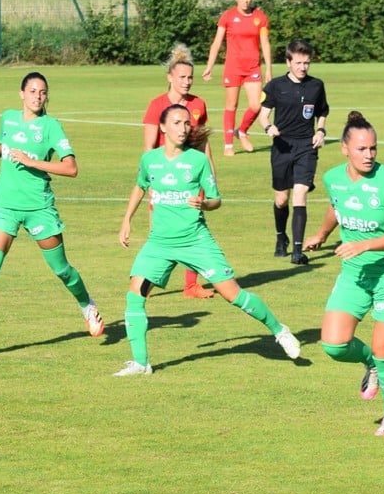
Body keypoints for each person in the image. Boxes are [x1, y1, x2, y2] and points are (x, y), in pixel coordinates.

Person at [114, 104, 301, 375]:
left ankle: (279, 330)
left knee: (233, 295)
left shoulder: (198, 160)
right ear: (163, 127)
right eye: (177, 123)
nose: (183, 128)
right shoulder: (149, 159)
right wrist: (126, 219)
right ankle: (141, 363)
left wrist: (205, 204)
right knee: (135, 296)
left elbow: (216, 200)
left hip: (195, 241)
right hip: (159, 244)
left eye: (186, 123)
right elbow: (140, 186)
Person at [0, 72, 104, 359]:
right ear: (21, 93)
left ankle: (87, 305)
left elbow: (71, 168)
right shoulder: (7, 118)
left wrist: (33, 162)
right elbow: (2, 144)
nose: (37, 96)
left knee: (62, 270)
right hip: (4, 208)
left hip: (39, 209)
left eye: (43, 92)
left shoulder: (51, 127)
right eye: (32, 90)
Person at [300, 112, 384, 435]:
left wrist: (364, 246)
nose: (369, 155)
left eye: (373, 149)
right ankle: (370, 365)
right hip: (355, 274)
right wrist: (322, 234)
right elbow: (337, 206)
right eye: (362, 149)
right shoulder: (333, 178)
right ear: (345, 150)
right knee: (333, 345)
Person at [144, 44, 215, 299]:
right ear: (170, 78)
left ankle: (191, 285)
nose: (187, 82)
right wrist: (151, 180)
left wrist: (211, 173)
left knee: (193, 226)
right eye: (182, 77)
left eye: (190, 78)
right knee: (159, 231)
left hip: (191, 177)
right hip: (163, 179)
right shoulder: (157, 106)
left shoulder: (199, 104)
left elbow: (203, 143)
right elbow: (148, 147)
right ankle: (148, 281)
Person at [257, 39, 329, 265]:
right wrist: (269, 127)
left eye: (306, 63)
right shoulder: (275, 86)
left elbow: (322, 112)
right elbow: (263, 115)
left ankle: (298, 251)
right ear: (288, 62)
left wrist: (320, 131)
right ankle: (281, 238)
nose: (303, 67)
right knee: (281, 199)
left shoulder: (316, 85)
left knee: (300, 194)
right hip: (282, 146)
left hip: (306, 147)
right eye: (298, 63)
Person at [202, 0, 272, 157]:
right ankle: (228, 145)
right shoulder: (228, 16)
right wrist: (210, 66)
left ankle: (242, 131)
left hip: (253, 68)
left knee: (256, 106)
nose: (245, 0)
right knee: (231, 105)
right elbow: (217, 43)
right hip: (233, 68)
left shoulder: (260, 17)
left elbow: (265, 43)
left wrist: (268, 69)